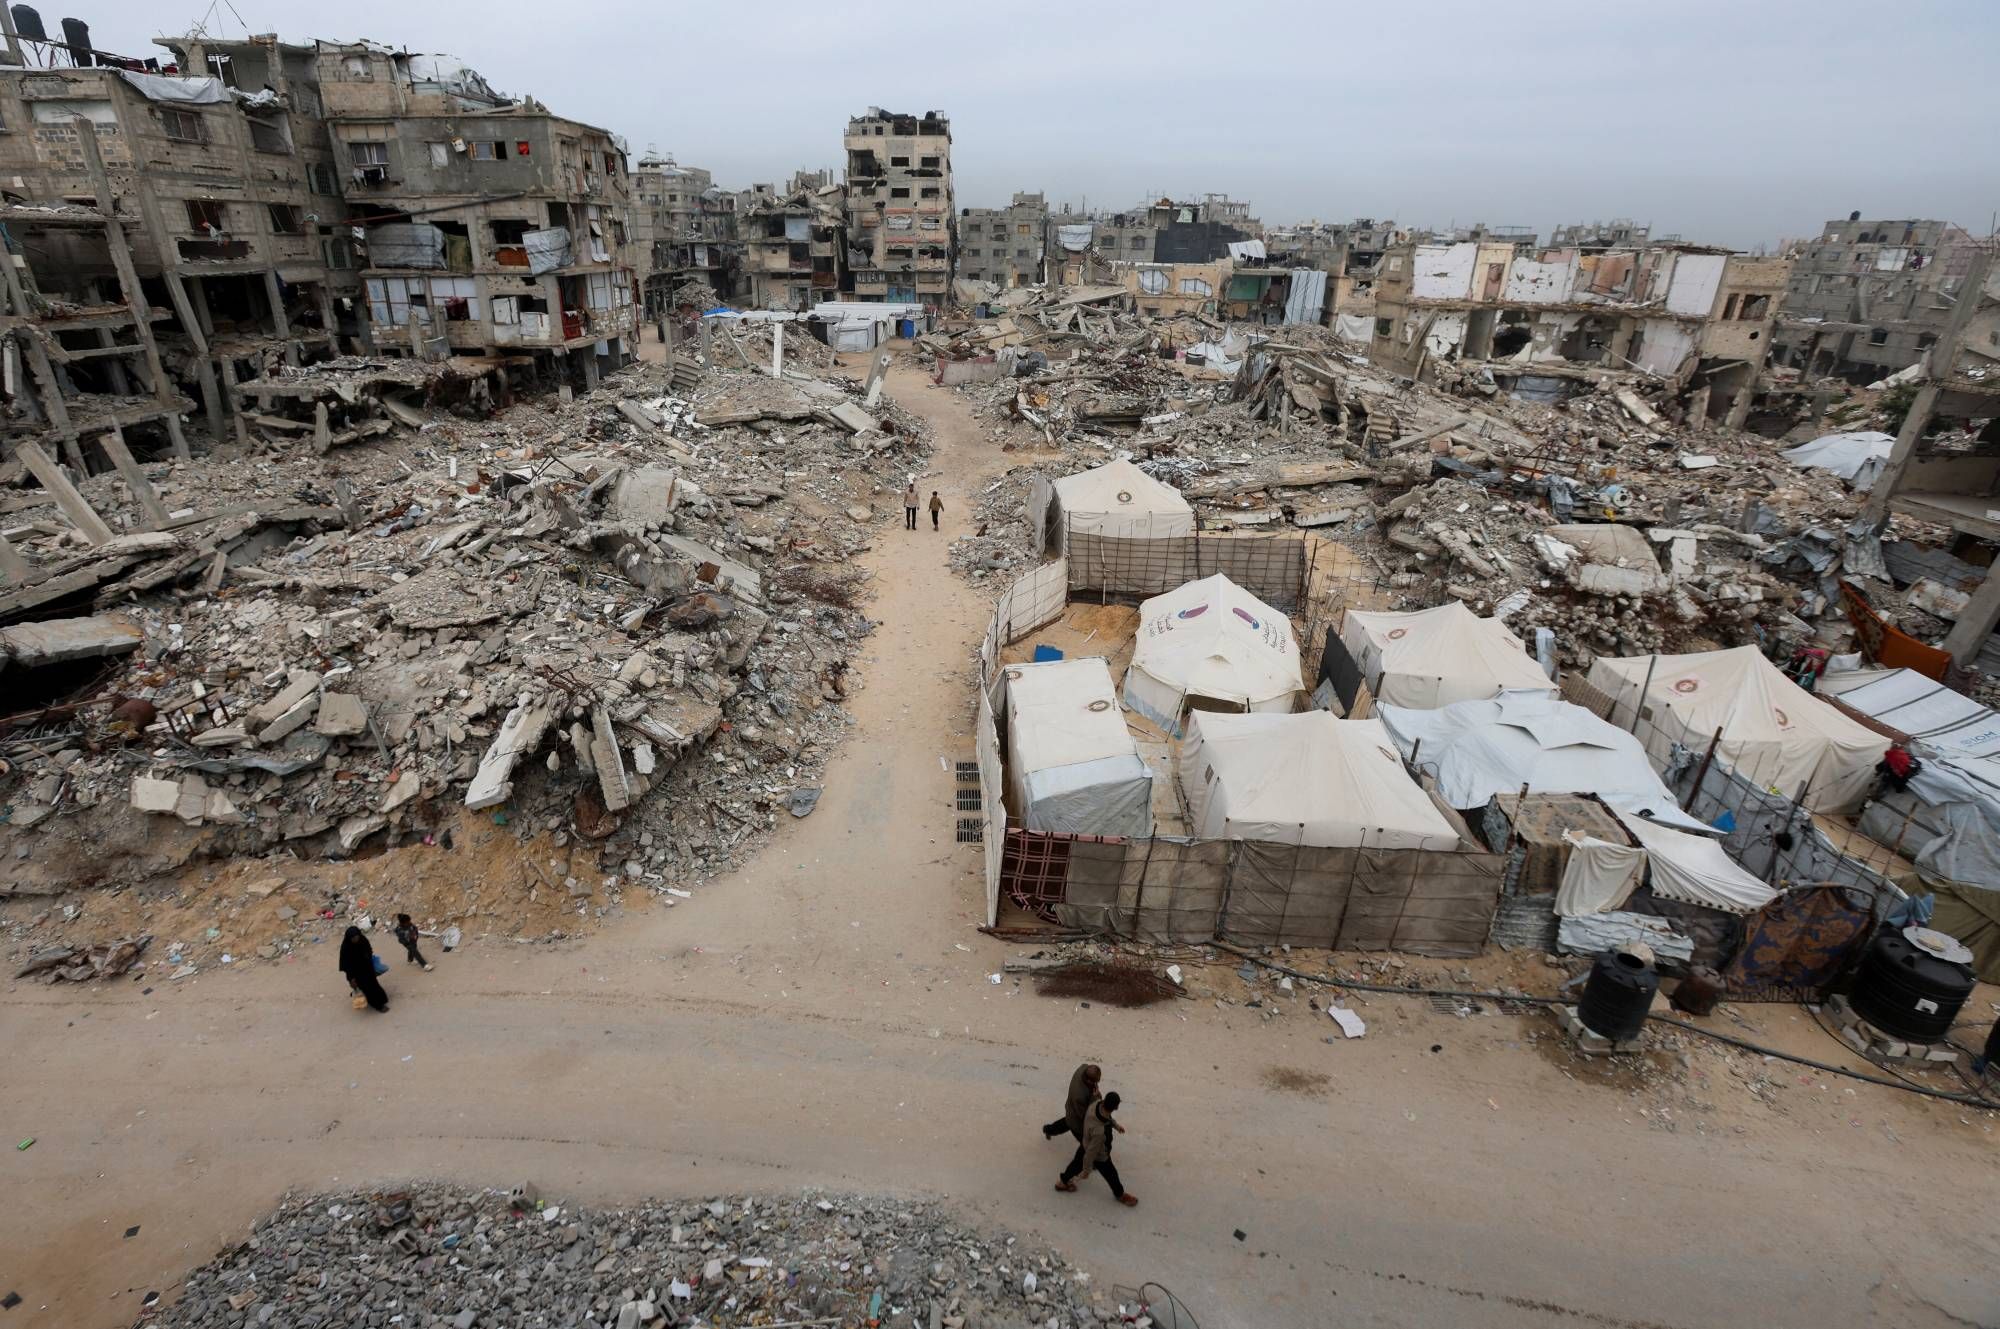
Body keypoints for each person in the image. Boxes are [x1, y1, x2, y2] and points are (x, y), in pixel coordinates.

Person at [1056, 1091, 1135, 1206]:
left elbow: (1107, 1117)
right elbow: (1090, 1153)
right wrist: (1086, 1170)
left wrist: (1116, 1126)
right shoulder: (1099, 1132)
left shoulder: (1096, 1104)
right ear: (1116, 1107)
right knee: (1111, 1174)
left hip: (1085, 1142)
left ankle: (1062, 1182)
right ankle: (1120, 1194)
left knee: (1076, 1164)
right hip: (1100, 1155)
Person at [1042, 1062, 1101, 1142]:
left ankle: (1048, 1130)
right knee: (1087, 1144)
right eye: (1095, 1082)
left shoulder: (1083, 1068)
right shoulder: (1079, 1096)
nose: (1096, 1084)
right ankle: (1048, 1130)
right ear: (1088, 1080)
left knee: (1064, 1124)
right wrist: (1095, 1097)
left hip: (1071, 1109)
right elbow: (1086, 1114)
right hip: (1076, 1120)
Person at [338, 926, 390, 1013]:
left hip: (368, 968)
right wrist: (351, 979)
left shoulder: (363, 940)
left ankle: (383, 999)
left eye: (356, 937)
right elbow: (346, 965)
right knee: (368, 989)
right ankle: (378, 1006)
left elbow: (369, 949)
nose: (355, 939)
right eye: (353, 938)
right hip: (357, 973)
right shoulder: (346, 948)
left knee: (374, 984)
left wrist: (367, 956)